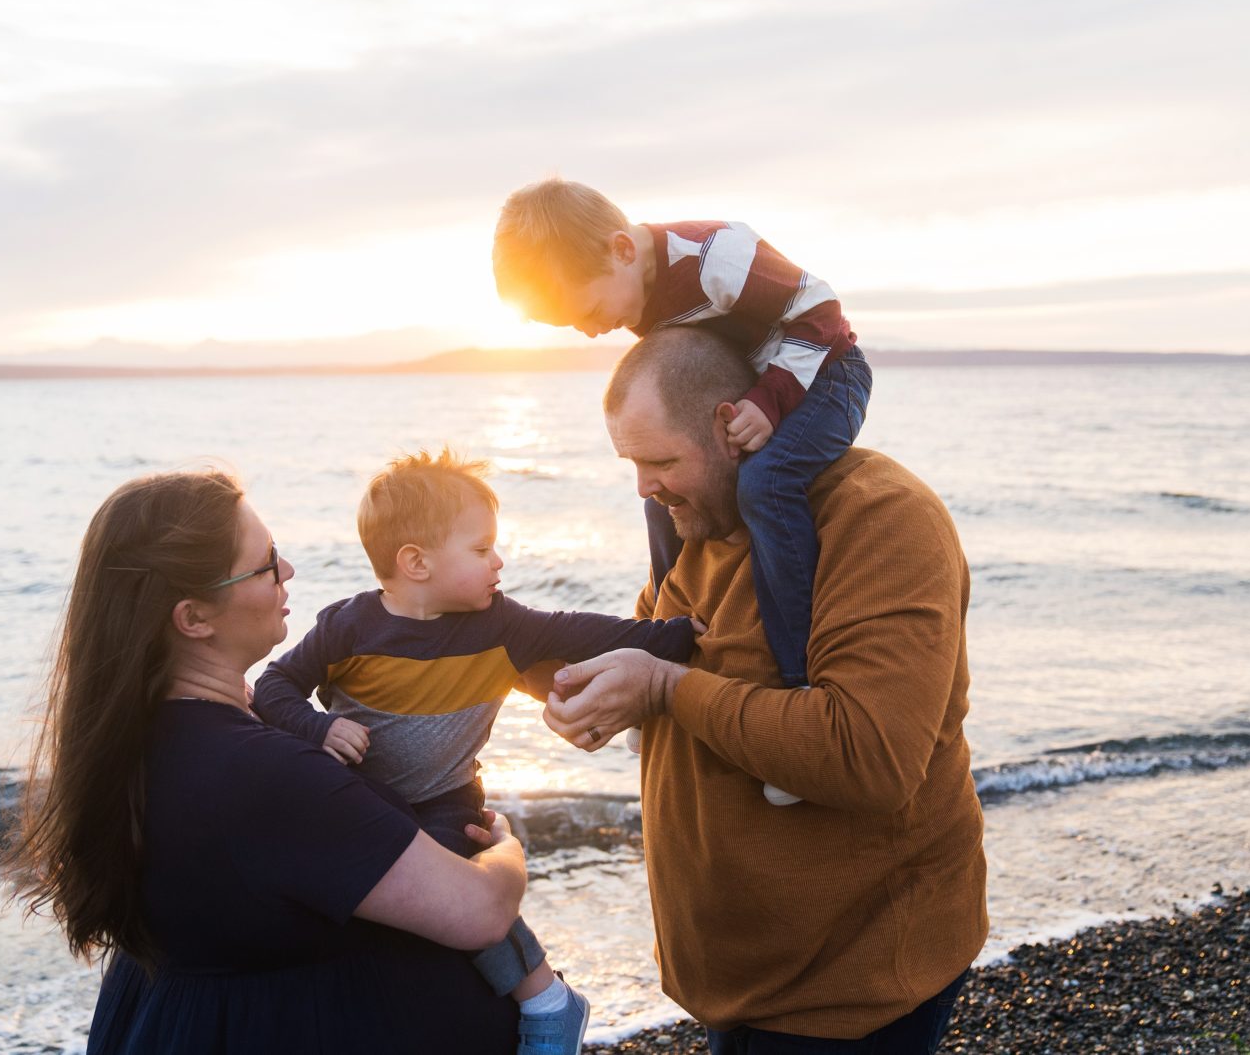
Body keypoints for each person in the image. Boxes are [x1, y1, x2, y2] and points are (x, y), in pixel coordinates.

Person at [542, 327, 987, 1054]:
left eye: (659, 461)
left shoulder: (880, 516)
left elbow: (868, 753)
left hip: (849, 989)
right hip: (736, 981)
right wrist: (598, 694)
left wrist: (662, 686)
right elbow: (673, 664)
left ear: (730, 426)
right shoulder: (696, 524)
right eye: (631, 463)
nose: (643, 488)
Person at [0, 469, 528, 1054]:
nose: (289, 572)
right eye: (267, 562)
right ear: (194, 618)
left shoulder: (143, 737)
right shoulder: (259, 772)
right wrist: (503, 848)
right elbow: (479, 912)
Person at [253, 448, 700, 1055]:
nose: (500, 562)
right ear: (416, 563)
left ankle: (544, 998)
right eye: (482, 549)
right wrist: (317, 728)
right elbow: (276, 686)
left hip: (447, 797)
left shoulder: (501, 626)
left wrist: (677, 637)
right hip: (366, 797)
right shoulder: (347, 628)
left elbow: (584, 630)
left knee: (445, 878)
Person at [493, 181, 871, 763]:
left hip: (826, 377)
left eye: (590, 312)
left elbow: (822, 315)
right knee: (659, 497)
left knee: (766, 484)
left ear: (622, 249)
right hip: (754, 387)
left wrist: (769, 401)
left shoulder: (716, 257)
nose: (593, 331)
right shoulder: (636, 288)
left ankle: (794, 674)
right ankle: (668, 641)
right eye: (575, 327)